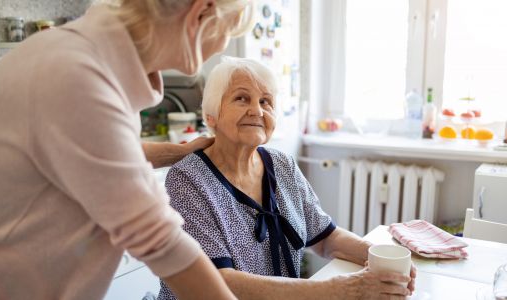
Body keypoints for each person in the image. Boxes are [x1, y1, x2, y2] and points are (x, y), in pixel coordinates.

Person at [0, 1, 254, 299]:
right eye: (228, 32)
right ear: (200, 14)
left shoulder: (89, 62)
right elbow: (160, 240)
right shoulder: (78, 77)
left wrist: (182, 151)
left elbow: (108, 151)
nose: (223, 45)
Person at [158, 57, 417, 300]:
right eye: (241, 98)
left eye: (266, 102)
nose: (257, 111)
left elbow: (325, 237)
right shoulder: (187, 180)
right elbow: (217, 281)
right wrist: (334, 290)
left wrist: (377, 257)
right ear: (211, 115)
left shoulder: (281, 164)